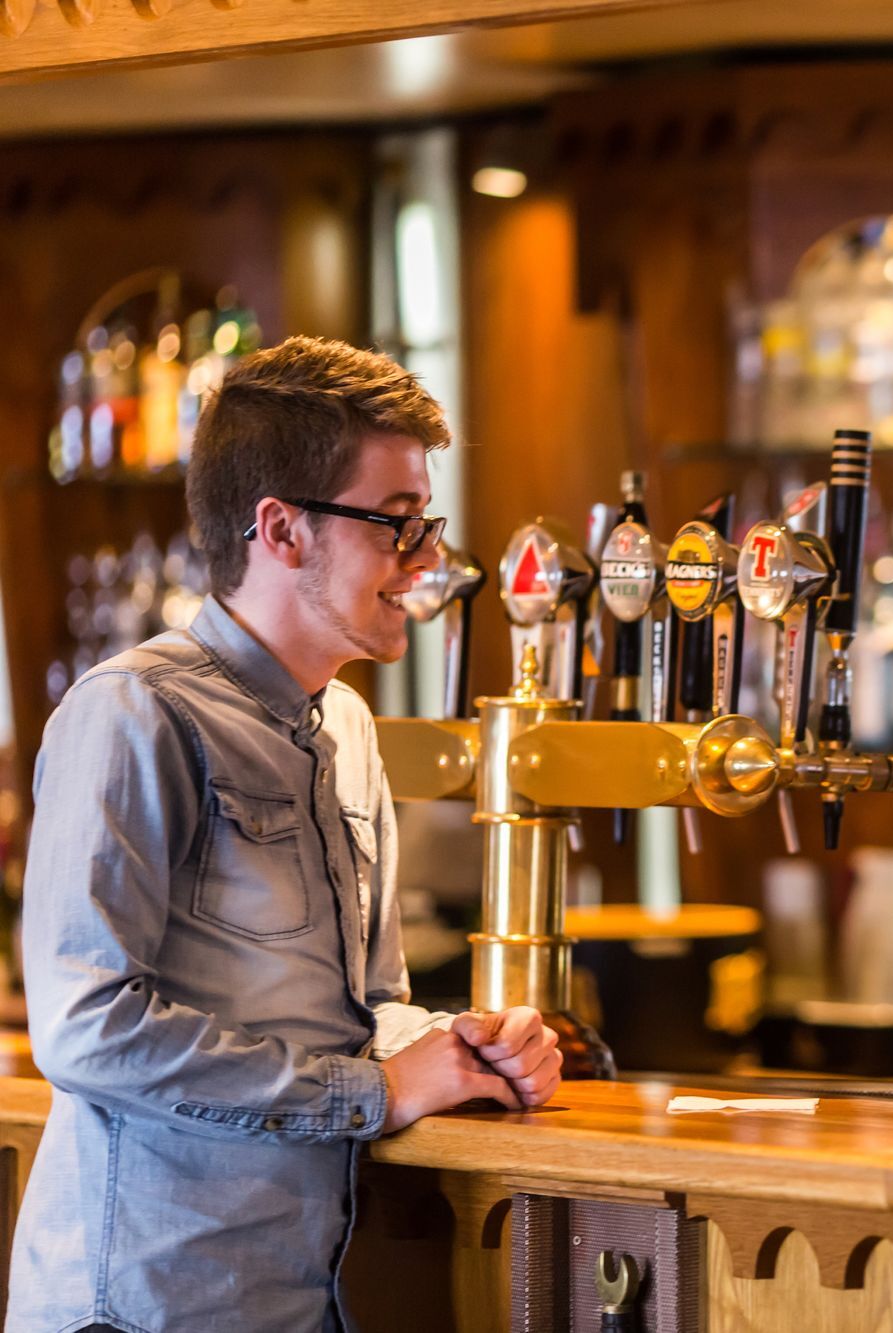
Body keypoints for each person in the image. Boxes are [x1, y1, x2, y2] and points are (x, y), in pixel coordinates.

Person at [9, 336, 564, 1332]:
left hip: (295, 1303)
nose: (429, 559)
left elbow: (365, 1006)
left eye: (426, 523)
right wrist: (374, 1091)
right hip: (144, 1306)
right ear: (282, 529)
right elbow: (87, 1026)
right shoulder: (133, 713)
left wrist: (461, 1043)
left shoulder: (345, 725)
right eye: (397, 524)